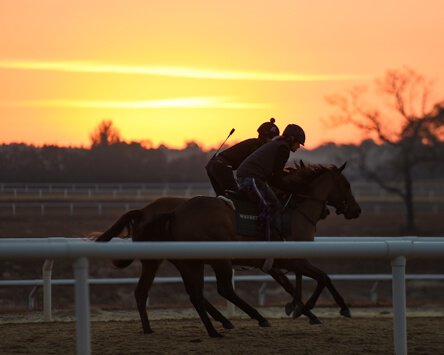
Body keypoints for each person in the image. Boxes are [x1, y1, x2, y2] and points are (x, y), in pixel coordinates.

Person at [236, 124, 305, 241]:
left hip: (248, 175)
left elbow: (274, 177)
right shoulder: (283, 148)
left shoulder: (278, 145)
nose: (299, 146)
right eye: (298, 143)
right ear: (292, 139)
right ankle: (272, 243)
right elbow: (277, 178)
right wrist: (291, 189)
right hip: (252, 177)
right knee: (273, 206)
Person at [205, 118, 280, 196]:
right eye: (271, 138)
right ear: (265, 137)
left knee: (223, 198)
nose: (272, 142)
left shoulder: (252, 142)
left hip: (212, 165)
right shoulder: (258, 147)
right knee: (236, 197)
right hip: (222, 166)